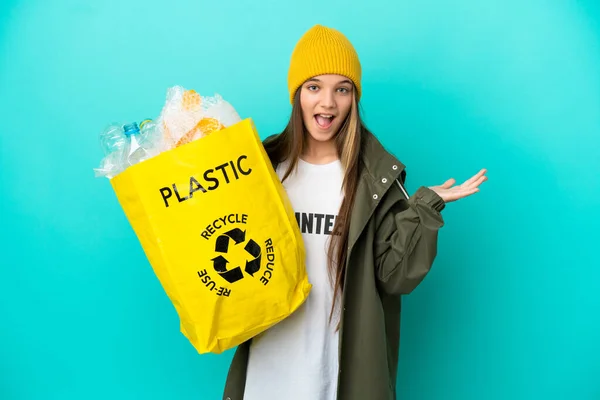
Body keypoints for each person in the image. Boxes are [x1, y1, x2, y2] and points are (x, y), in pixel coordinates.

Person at [222, 24, 487, 400]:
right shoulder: (261, 168)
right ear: (297, 94)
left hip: (337, 376)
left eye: (341, 89)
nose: (327, 103)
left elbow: (395, 278)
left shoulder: (374, 178)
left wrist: (426, 207)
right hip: (267, 369)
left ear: (353, 98)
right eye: (314, 87)